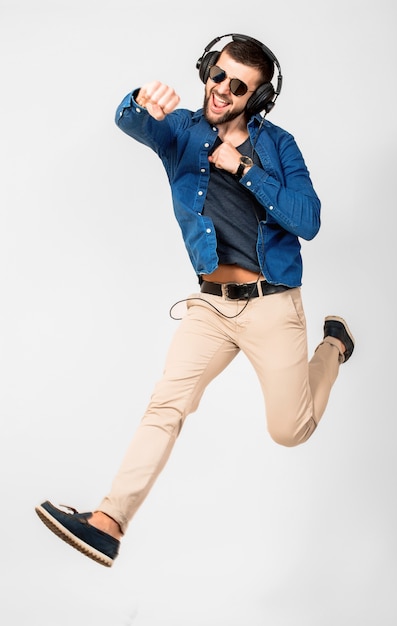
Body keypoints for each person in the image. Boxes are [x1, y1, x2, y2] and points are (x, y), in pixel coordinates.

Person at [35, 33, 354, 567]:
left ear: (255, 97)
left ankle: (333, 347)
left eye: (238, 85)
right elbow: (131, 121)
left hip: (270, 303)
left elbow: (309, 220)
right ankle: (108, 523)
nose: (221, 90)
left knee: (290, 430)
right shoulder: (182, 131)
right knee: (166, 405)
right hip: (209, 305)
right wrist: (139, 102)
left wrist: (245, 169)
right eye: (217, 75)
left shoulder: (278, 145)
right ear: (207, 70)